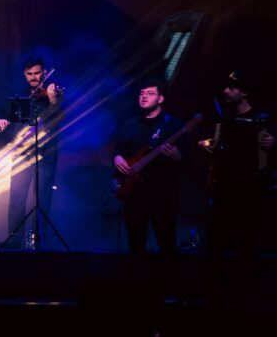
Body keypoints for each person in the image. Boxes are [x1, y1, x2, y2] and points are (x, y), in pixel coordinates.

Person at [198, 70, 274, 305]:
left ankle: (245, 299)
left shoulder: (263, 119)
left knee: (249, 246)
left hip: (252, 190)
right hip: (224, 190)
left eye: (232, 87)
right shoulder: (223, 120)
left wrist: (274, 143)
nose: (226, 91)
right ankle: (213, 298)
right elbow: (208, 142)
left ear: (244, 91)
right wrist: (205, 144)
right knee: (216, 246)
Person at [0, 56, 64, 249]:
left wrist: (53, 99)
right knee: (17, 197)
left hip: (46, 153)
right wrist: (0, 119)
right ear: (25, 75)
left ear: (44, 72)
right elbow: (0, 110)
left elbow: (58, 117)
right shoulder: (19, 94)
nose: (34, 78)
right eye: (30, 74)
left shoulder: (54, 92)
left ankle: (39, 241)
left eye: (37, 73)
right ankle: (15, 240)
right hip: (21, 153)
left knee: (43, 198)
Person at [113, 78, 183, 258]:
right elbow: (118, 149)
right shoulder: (129, 124)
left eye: (150, 93)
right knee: (135, 245)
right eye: (142, 93)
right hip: (134, 193)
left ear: (161, 99)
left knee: (166, 243)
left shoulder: (173, 125)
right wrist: (117, 158)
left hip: (163, 193)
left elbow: (187, 157)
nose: (144, 97)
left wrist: (177, 156)